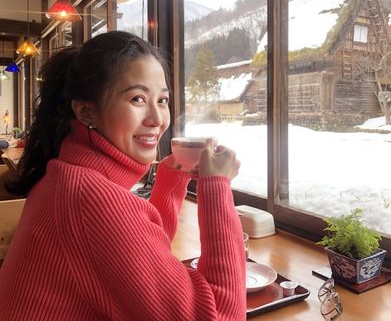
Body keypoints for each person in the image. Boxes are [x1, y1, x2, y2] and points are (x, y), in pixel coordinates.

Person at [0, 31, 246, 320]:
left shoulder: (67, 174)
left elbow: (139, 256)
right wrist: (216, 187)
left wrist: (171, 179)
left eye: (163, 100)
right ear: (86, 112)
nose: (157, 119)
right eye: (138, 98)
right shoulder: (91, 200)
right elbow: (221, 316)